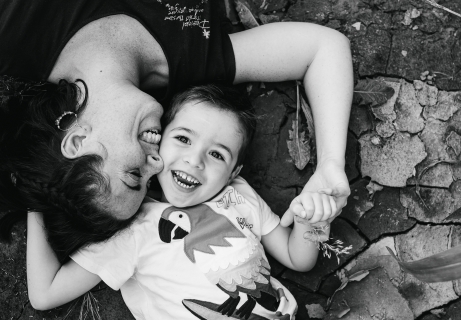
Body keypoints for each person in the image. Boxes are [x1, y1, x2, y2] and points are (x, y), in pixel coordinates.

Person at [0, 0, 352, 265]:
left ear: (78, 141)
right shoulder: (194, 66)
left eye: (134, 174)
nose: (157, 165)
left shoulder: (14, 32)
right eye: (150, 180)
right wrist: (330, 164)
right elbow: (323, 48)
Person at [27, 85, 338, 319]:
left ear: (234, 172)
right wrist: (35, 197)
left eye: (217, 154)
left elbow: (299, 259)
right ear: (157, 139)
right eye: (183, 139)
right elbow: (44, 294)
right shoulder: (130, 227)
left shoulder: (239, 195)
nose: (195, 160)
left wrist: (312, 221)